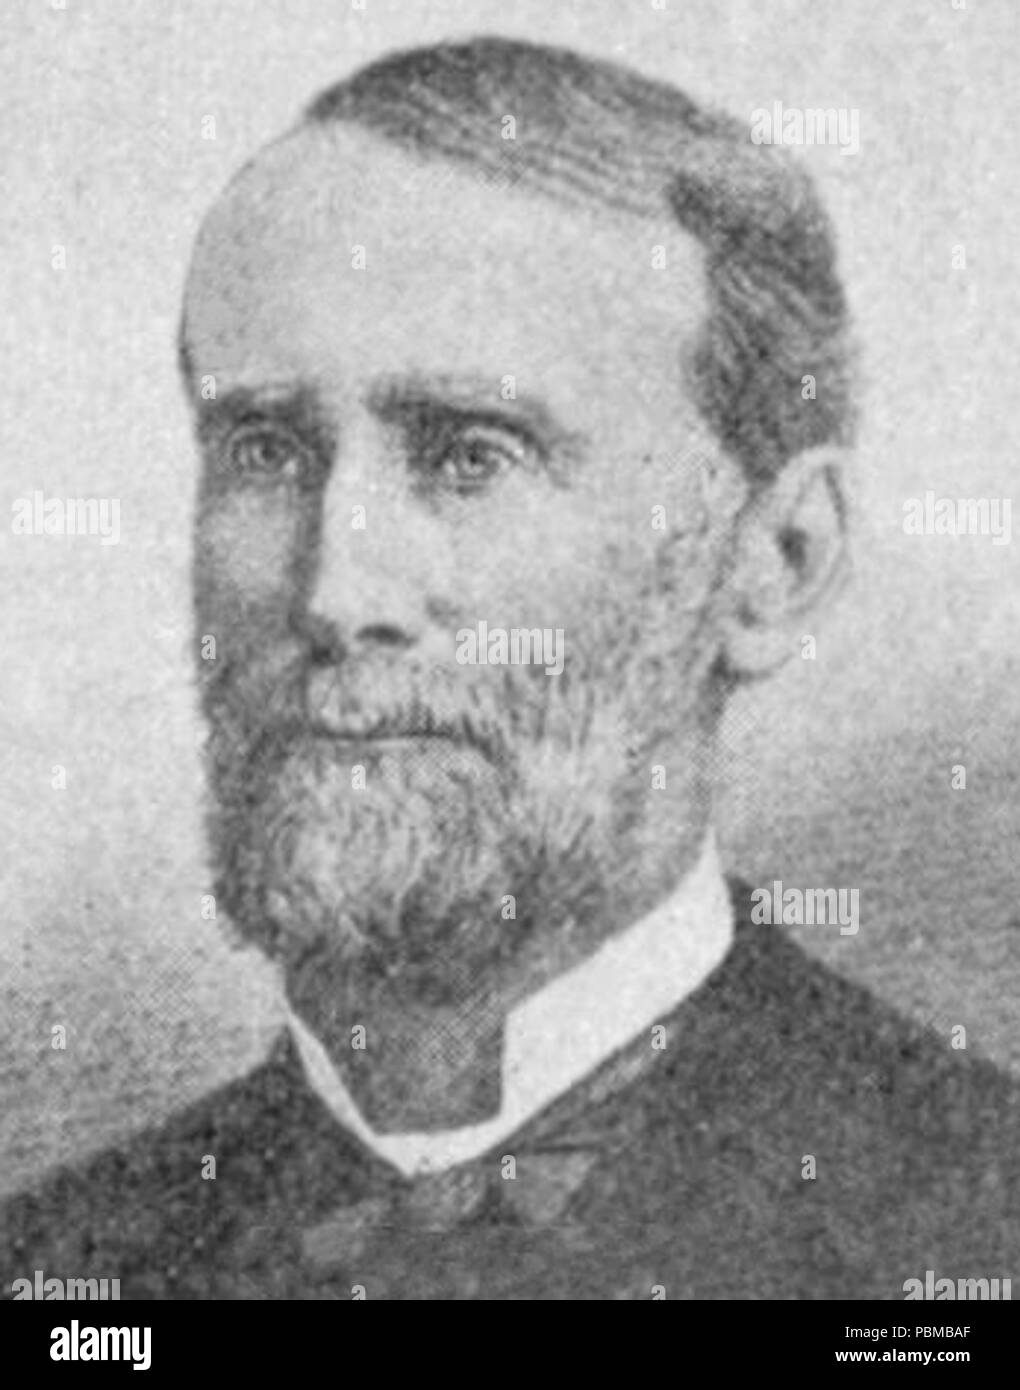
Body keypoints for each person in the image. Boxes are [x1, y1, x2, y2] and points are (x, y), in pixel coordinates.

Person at [3, 37, 1015, 1301]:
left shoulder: (971, 1228)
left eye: (470, 455)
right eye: (265, 449)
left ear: (775, 561)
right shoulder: (55, 1271)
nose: (337, 595)